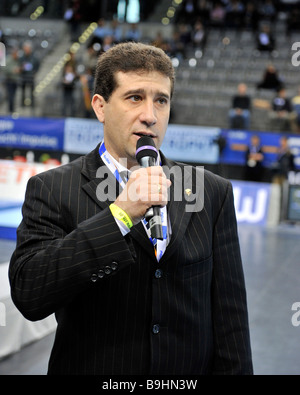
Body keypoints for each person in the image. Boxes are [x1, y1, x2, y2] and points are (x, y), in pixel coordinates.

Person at [9, 42, 253, 375]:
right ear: (100, 107)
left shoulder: (211, 192)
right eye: (135, 97)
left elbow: (231, 322)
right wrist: (119, 215)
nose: (150, 115)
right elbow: (30, 294)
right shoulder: (52, 189)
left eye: (161, 100)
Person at [19, 41, 40, 108]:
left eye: (27, 48)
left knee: (32, 91)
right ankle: (23, 104)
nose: (26, 50)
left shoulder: (34, 57)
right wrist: (21, 68)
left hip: (31, 76)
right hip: (24, 76)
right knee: (23, 91)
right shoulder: (22, 57)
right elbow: (19, 65)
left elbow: (38, 64)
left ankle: (32, 104)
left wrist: (35, 72)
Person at [3, 47, 20, 113]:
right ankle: (10, 110)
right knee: (10, 96)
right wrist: (12, 70)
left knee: (13, 96)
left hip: (15, 80)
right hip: (9, 80)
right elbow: (4, 69)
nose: (17, 55)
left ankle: (12, 110)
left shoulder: (18, 60)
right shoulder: (8, 60)